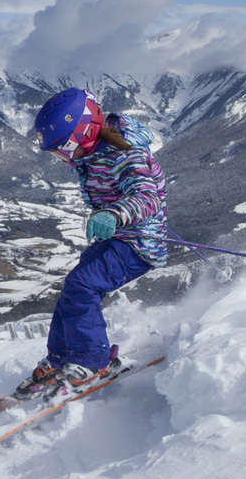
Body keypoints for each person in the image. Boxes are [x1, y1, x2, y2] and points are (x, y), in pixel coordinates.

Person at [15, 87, 168, 400]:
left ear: (84, 133)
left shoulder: (124, 151)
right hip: (120, 237)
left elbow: (147, 197)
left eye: (64, 148)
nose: (62, 157)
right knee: (74, 287)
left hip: (140, 242)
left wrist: (114, 213)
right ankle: (59, 359)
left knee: (83, 286)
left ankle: (91, 362)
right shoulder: (96, 147)